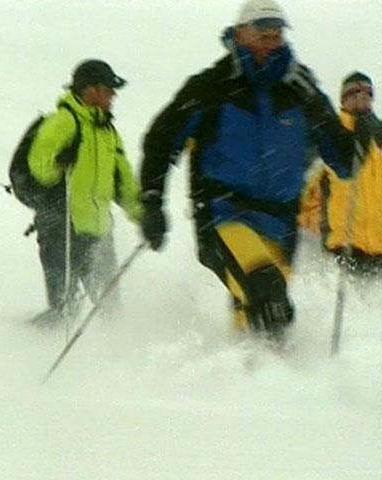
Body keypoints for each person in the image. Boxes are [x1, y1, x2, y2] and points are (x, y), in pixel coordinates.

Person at [138, 0, 357, 342]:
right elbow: (162, 139)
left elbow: (343, 160)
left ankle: (249, 383)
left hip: (281, 222)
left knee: (269, 314)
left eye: (277, 33)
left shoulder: (300, 90)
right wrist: (152, 199)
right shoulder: (212, 86)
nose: (272, 40)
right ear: (240, 34)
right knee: (264, 289)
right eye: (262, 32)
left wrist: (351, 143)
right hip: (223, 213)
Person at [26, 59, 143, 323]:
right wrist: (59, 164)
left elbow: (123, 181)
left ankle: (108, 358)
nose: (113, 96)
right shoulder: (64, 122)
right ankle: (32, 353)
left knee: (111, 310)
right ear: (90, 90)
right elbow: (38, 165)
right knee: (65, 311)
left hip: (99, 232)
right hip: (61, 228)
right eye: (108, 90)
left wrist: (145, 216)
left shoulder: (107, 131)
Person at [299, 72, 382, 275]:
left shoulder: (379, 138)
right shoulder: (329, 140)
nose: (361, 98)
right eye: (354, 93)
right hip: (344, 251)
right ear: (343, 99)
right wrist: (323, 226)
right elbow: (303, 201)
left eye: (366, 94)